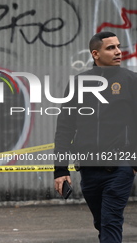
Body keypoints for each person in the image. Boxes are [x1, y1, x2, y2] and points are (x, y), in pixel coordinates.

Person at [54, 32, 137, 243]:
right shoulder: (79, 83)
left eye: (118, 46)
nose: (118, 51)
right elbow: (65, 127)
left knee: (110, 221)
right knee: (102, 223)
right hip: (89, 169)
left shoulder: (130, 81)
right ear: (95, 53)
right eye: (111, 48)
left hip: (120, 167)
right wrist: (61, 169)